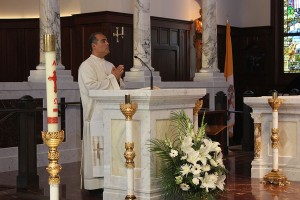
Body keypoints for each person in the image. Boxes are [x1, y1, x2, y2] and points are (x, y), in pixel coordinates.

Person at [78, 32, 125, 191]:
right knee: (97, 150)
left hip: (112, 115)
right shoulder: (86, 66)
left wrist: (117, 79)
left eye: (107, 41)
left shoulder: (109, 64)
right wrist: (113, 78)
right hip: (96, 116)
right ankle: (95, 185)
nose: (107, 44)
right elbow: (92, 88)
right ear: (94, 45)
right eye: (103, 41)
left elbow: (119, 89)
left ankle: (112, 181)